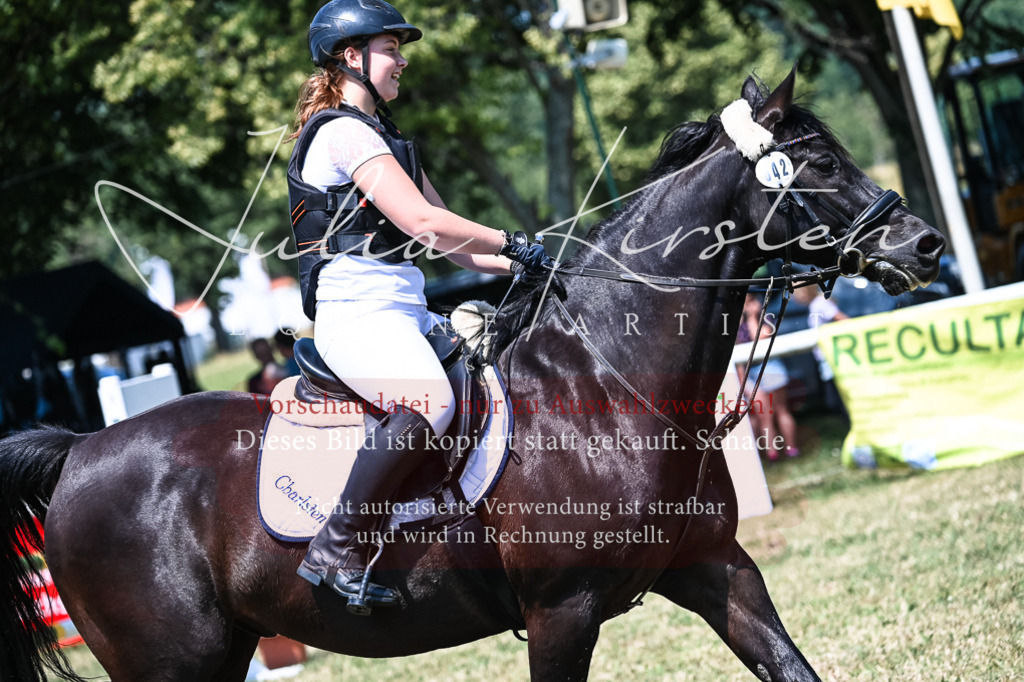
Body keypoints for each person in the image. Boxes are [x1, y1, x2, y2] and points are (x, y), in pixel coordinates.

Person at [286, 0, 551, 613]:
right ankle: (335, 548)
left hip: (403, 311)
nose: (402, 61)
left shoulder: (388, 139)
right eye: (391, 49)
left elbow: (452, 245)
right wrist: (513, 241)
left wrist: (533, 266)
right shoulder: (341, 131)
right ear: (351, 57)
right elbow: (423, 220)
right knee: (428, 403)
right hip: (358, 316)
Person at [737, 293, 799, 462]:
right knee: (765, 415)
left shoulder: (767, 320)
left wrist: (753, 317)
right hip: (752, 373)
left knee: (780, 410)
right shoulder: (736, 325)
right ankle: (772, 454)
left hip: (771, 368)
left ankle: (791, 449)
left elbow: (759, 340)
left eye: (749, 302)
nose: (746, 306)